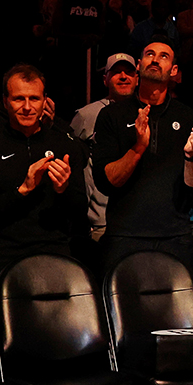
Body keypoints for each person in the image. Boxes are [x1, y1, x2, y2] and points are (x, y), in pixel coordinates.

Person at [0, 65, 88, 288]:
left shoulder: (65, 146)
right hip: (0, 261)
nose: (27, 107)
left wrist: (62, 190)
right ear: (5, 101)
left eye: (34, 99)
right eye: (19, 99)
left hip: (54, 256)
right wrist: (22, 191)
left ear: (45, 101)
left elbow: (80, 211)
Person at [92, 40, 193, 271]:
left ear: (174, 71)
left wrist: (191, 156)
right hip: (124, 235)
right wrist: (138, 148)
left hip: (175, 236)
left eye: (164, 56)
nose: (155, 59)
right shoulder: (111, 115)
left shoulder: (188, 117)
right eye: (149, 54)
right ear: (139, 65)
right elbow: (106, 182)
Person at [68, 53, 138, 249]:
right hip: (101, 222)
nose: (123, 77)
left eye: (129, 73)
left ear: (137, 78)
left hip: (138, 219)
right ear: (105, 79)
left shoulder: (147, 112)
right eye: (116, 73)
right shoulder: (85, 115)